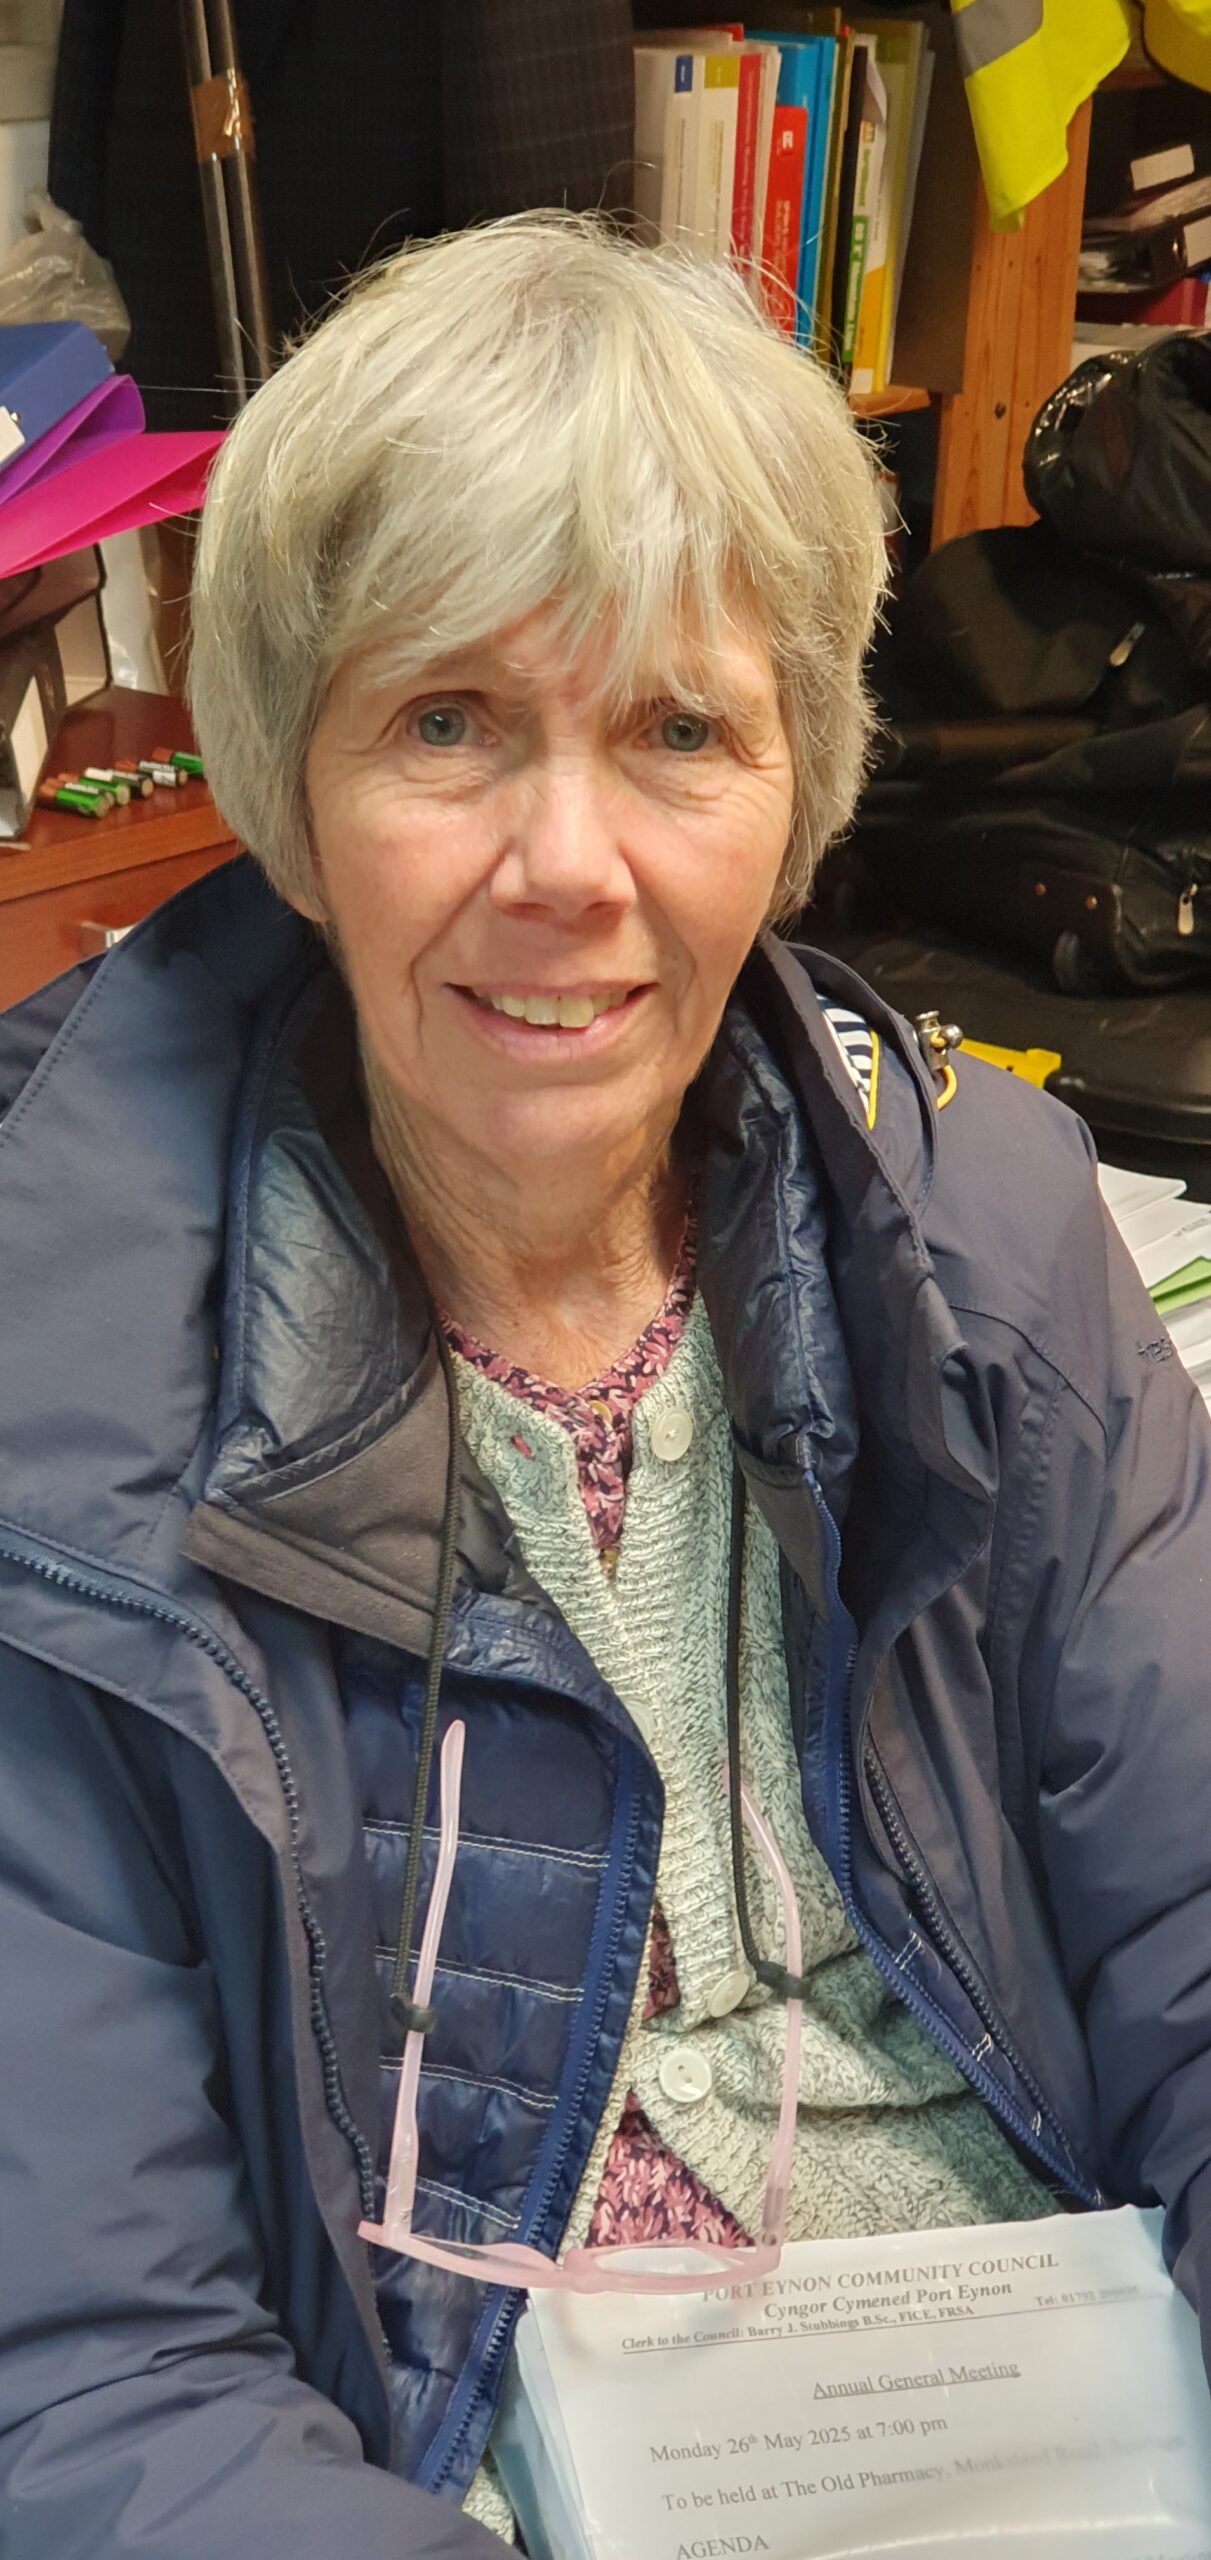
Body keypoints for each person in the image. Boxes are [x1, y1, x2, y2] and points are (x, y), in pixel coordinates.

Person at [2, 206, 1210, 2560]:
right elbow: (87, 2370)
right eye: (447, 721)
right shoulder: (62, 1398)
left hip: (1056, 2420)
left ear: (803, 779)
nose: (569, 864)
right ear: (291, 780)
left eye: (677, 729)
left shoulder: (988, 1234)